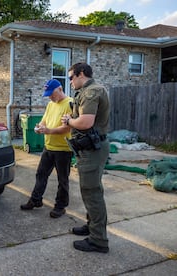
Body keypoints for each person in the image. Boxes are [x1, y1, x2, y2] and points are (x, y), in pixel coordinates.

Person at [61, 62, 110, 253]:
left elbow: (85, 122)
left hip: (92, 150)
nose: (70, 81)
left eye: (71, 77)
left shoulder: (91, 92)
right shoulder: (90, 90)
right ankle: (92, 227)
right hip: (90, 149)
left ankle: (98, 240)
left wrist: (69, 121)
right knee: (91, 191)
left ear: (81, 74)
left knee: (92, 193)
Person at [20, 79, 73, 218]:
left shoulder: (70, 103)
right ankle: (36, 200)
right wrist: (39, 127)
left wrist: (48, 130)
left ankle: (60, 207)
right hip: (48, 147)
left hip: (63, 149)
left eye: (52, 94)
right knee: (41, 175)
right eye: (48, 94)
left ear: (60, 89)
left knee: (63, 180)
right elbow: (44, 121)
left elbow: (67, 127)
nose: (50, 97)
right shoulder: (50, 104)